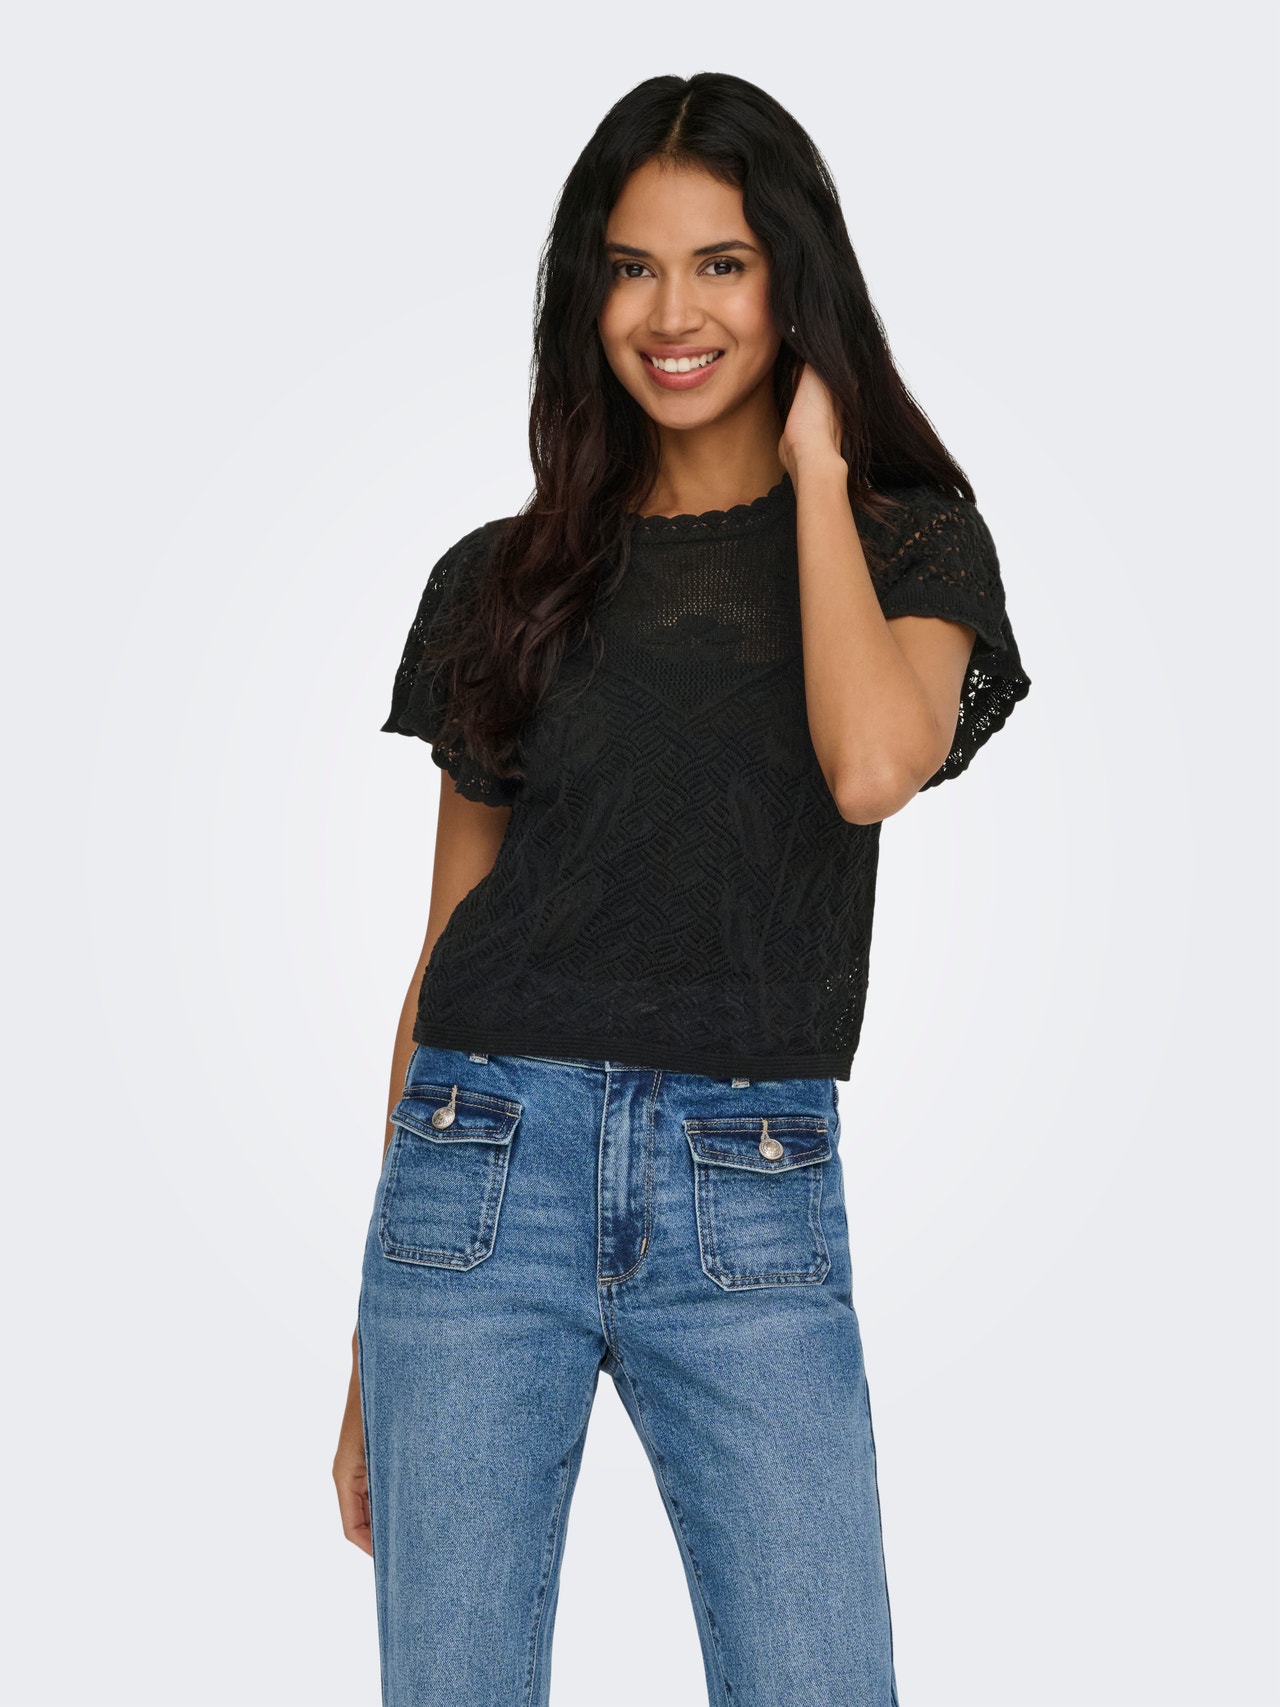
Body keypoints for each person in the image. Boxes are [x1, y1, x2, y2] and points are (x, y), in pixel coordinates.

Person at [333, 70, 1031, 1707]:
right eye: (631, 268)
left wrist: (815, 473)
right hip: (474, 1172)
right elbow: (446, 943)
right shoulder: (500, 580)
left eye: (722, 263)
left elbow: (873, 765)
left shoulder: (910, 546)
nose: (671, 314)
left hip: (747, 1179)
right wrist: (369, 1335)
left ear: (795, 280)